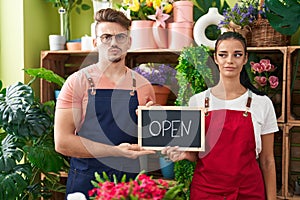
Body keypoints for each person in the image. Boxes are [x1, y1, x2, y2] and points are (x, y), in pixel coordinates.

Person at [162, 32, 278, 200]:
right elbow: (195, 154)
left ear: (245, 58)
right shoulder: (197, 102)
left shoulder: (262, 103)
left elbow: (267, 160)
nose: (229, 60)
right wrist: (184, 154)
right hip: (206, 192)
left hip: (248, 192)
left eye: (237, 54)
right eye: (223, 55)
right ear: (215, 58)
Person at [54, 8, 155, 198]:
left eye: (120, 37)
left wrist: (153, 122)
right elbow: (62, 143)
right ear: (95, 43)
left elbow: (148, 143)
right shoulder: (77, 82)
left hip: (129, 185)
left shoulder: (143, 86)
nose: (113, 43)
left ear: (129, 42)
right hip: (86, 183)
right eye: (106, 37)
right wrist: (116, 152)